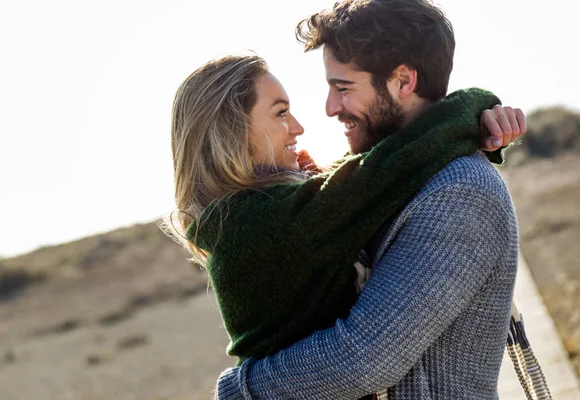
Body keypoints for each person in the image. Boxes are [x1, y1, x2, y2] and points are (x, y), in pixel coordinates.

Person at [213, 1, 524, 399]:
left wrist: (241, 390)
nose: (330, 108)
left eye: (343, 88)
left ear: (403, 81)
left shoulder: (460, 193)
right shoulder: (389, 174)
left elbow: (363, 360)